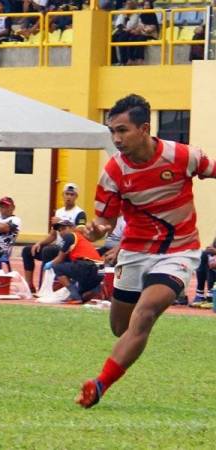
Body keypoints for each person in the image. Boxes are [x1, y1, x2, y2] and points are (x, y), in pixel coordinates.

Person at [76, 94, 212, 409]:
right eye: (112, 131)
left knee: (145, 314)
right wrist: (98, 230)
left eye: (122, 130)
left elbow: (212, 168)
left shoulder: (182, 156)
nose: (117, 138)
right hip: (135, 252)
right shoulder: (113, 171)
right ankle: (132, 339)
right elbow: (105, 220)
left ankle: (99, 384)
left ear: (145, 128)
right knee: (121, 329)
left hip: (180, 250)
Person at [21, 182, 86, 292]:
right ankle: (30, 286)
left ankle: (45, 287)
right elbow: (52, 235)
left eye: (72, 194)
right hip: (56, 247)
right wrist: (39, 243)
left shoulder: (80, 213)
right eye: (67, 194)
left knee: (48, 251)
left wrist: (62, 222)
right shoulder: (59, 212)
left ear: (76, 197)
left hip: (69, 249)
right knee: (27, 250)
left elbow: (81, 231)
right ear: (63, 195)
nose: (69, 197)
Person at [44, 219, 103, 304]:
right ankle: (89, 292)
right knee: (81, 292)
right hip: (100, 270)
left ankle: (75, 296)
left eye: (64, 228)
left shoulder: (71, 236)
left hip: (88, 266)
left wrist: (49, 264)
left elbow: (59, 259)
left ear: (72, 228)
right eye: (59, 231)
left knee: (58, 268)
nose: (61, 232)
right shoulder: (81, 238)